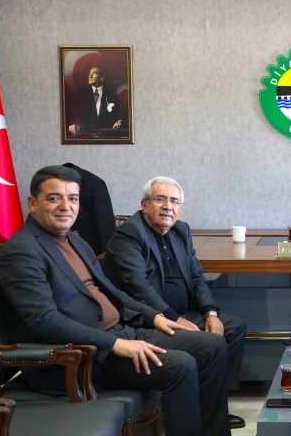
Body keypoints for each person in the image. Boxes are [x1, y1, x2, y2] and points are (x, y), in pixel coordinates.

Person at [0, 166, 232, 436]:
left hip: (120, 332)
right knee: (181, 365)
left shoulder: (75, 241)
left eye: (73, 198)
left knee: (212, 344)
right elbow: (43, 320)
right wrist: (116, 344)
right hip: (81, 355)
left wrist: (154, 317)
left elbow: (113, 292)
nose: (65, 206)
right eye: (54, 198)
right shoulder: (22, 251)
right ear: (32, 203)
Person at [104, 176, 248, 430]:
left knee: (233, 327)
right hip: (150, 318)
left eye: (174, 201)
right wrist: (173, 318)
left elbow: (196, 278)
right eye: (160, 199)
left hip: (185, 312)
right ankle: (205, 413)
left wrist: (211, 313)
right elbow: (138, 288)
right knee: (210, 343)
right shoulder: (129, 235)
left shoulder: (180, 231)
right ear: (144, 204)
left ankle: (212, 405)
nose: (168, 206)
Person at [68, 65, 125, 136]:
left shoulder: (112, 94)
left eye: (94, 73)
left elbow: (116, 116)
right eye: (89, 73)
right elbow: (74, 116)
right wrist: (73, 124)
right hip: (84, 135)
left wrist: (116, 124)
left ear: (102, 77)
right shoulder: (80, 94)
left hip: (106, 135)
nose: (90, 76)